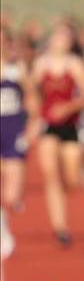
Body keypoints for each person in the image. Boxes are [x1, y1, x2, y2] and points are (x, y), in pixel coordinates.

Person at [32, 20, 84, 245]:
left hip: (71, 125)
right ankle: (60, 227)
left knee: (72, 180)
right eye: (60, 36)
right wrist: (34, 114)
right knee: (51, 176)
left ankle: (82, 162)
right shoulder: (41, 64)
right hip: (48, 125)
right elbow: (32, 92)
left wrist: (68, 107)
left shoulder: (75, 64)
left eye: (67, 37)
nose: (62, 41)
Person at [1, 25, 40, 258]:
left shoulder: (17, 70)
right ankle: (2, 229)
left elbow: (32, 98)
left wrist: (33, 124)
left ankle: (5, 216)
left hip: (13, 131)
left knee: (11, 195)